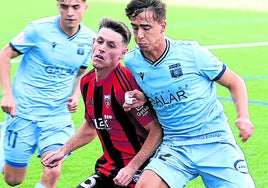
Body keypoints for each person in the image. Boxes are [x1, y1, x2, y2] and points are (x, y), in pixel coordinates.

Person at [123, 0, 255, 187]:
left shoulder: (192, 53)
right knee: (145, 185)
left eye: (146, 28)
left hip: (214, 141)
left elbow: (235, 82)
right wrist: (143, 97)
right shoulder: (133, 62)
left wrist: (244, 116)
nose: (139, 36)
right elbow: (158, 87)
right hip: (176, 146)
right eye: (135, 28)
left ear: (163, 26)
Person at [41, 17, 163, 188]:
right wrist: (62, 151)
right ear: (93, 43)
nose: (101, 49)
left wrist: (132, 168)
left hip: (139, 170)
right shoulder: (87, 82)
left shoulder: (126, 84)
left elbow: (156, 130)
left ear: (122, 54)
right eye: (100, 41)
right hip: (110, 168)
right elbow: (91, 125)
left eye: (111, 45)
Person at [0, 0, 95, 187]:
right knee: (13, 179)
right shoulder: (38, 30)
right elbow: (4, 55)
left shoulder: (89, 39)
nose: (70, 12)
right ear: (58, 5)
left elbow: (81, 72)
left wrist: (76, 95)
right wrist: (8, 95)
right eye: (64, 6)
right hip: (24, 113)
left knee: (53, 169)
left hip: (57, 117)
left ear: (85, 7)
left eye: (75, 7)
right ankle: (4, 133)